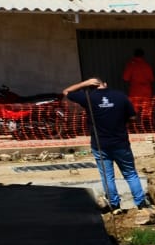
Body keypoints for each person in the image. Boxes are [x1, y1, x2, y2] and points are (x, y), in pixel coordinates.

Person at [62, 76, 149, 213]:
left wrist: (85, 83)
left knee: (107, 177)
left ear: (91, 87)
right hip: (121, 143)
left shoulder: (89, 98)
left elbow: (66, 92)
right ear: (105, 84)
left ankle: (114, 205)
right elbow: (133, 117)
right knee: (131, 174)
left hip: (100, 144)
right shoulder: (120, 96)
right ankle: (141, 203)